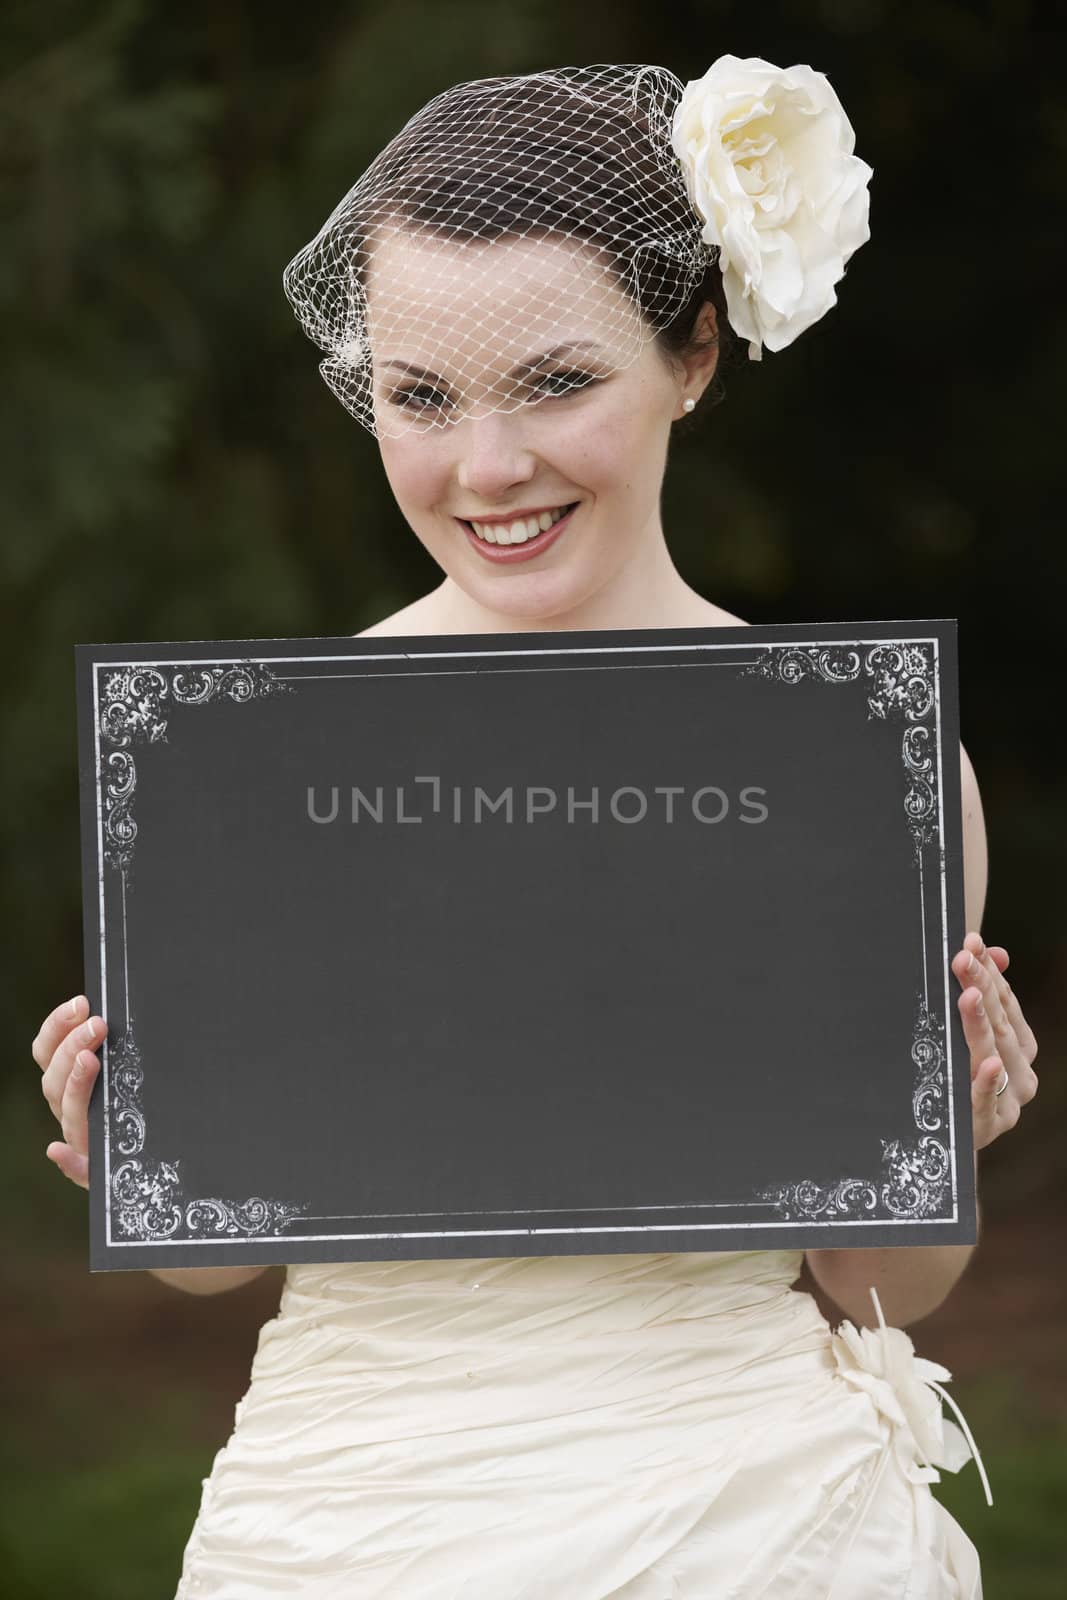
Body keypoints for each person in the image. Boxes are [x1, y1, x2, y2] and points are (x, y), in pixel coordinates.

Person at [33, 55, 1040, 1599]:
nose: (485, 470)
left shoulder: (861, 757)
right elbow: (212, 1257)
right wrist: (142, 1162)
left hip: (754, 1523)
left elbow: (878, 1285)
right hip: (350, 1520)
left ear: (694, 351)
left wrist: (947, 1148)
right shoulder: (241, 768)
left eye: (556, 382)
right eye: (420, 399)